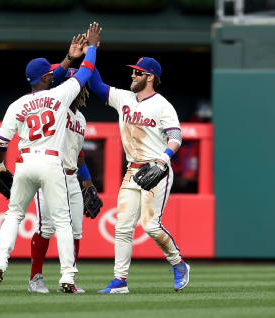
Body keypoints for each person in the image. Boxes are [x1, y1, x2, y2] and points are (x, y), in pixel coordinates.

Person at [0, 22, 102, 293]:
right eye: (50, 74)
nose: (54, 75)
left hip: (26, 161)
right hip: (51, 163)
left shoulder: (18, 104)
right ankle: (66, 276)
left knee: (14, 214)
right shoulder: (59, 97)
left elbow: (1, 142)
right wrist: (92, 49)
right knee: (61, 222)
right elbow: (86, 72)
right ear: (45, 78)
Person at [87, 56, 190, 293]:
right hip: (132, 171)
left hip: (157, 169)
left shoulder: (163, 105)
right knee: (122, 227)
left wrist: (165, 158)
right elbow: (95, 85)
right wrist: (90, 51)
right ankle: (120, 280)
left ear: (150, 77)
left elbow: (176, 136)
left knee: (151, 226)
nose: (133, 75)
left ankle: (179, 264)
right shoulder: (123, 97)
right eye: (133, 71)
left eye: (138, 72)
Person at [28, 68, 98, 294]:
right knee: (46, 229)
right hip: (50, 174)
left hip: (72, 178)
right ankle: (35, 278)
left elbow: (78, 155)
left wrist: (88, 182)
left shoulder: (81, 119)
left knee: (76, 231)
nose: (75, 86)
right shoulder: (54, 107)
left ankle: (67, 280)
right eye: (69, 82)